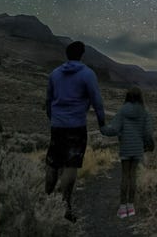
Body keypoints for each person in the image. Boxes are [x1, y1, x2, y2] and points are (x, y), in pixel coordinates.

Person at [45, 41, 105, 222]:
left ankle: (46, 201)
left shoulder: (54, 74)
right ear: (82, 55)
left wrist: (53, 118)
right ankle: (65, 206)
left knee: (53, 162)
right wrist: (102, 123)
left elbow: (48, 100)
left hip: (57, 125)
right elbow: (97, 101)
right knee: (71, 164)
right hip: (76, 126)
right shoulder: (87, 74)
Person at [100, 86, 154, 219]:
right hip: (137, 149)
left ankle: (123, 208)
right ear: (140, 97)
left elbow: (113, 129)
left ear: (128, 97)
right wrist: (148, 144)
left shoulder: (122, 111)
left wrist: (102, 128)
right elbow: (148, 133)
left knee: (124, 176)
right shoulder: (145, 112)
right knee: (133, 175)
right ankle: (131, 206)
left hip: (125, 147)